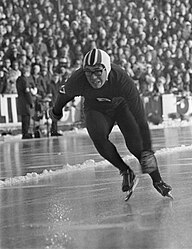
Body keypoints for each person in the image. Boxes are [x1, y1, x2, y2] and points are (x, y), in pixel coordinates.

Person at [49, 48, 172, 198]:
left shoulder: (121, 79)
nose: (93, 77)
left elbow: (140, 119)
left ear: (107, 69)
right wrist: (56, 111)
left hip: (122, 106)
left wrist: (147, 149)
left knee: (136, 146)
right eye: (88, 72)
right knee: (97, 135)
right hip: (96, 108)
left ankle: (157, 181)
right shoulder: (78, 79)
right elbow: (63, 96)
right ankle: (125, 171)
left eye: (97, 72)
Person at [16, 65, 35, 139]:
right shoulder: (24, 80)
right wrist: (31, 102)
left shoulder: (19, 79)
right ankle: (25, 133)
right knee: (26, 117)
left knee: (24, 117)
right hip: (25, 101)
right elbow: (27, 92)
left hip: (21, 101)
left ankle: (25, 132)